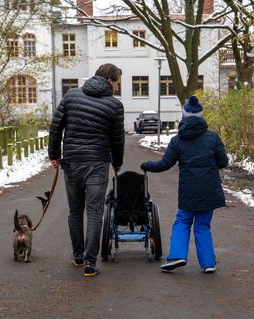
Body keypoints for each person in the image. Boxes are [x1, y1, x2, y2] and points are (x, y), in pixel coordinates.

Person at [48, 63, 124, 277]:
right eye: (117, 82)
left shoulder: (71, 95)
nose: (117, 88)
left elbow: (56, 126)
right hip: (97, 164)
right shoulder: (114, 106)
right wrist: (117, 162)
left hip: (72, 162)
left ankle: (78, 256)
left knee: (75, 211)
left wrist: (54, 155)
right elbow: (117, 139)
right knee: (94, 213)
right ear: (110, 79)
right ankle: (90, 263)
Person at [141, 95, 228, 273]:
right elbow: (223, 162)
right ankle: (208, 264)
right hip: (210, 189)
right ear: (201, 116)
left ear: (184, 116)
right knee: (203, 225)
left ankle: (177, 256)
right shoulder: (213, 138)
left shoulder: (178, 140)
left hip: (189, 190)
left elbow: (164, 164)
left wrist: (147, 165)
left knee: (182, 221)